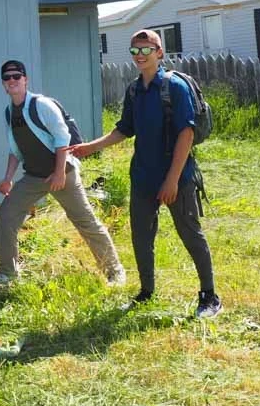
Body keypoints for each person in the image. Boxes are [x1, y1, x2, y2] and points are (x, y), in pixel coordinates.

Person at [67, 30, 222, 318]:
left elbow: (186, 134)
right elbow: (125, 129)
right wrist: (90, 147)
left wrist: (172, 180)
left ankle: (209, 296)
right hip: (142, 177)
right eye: (134, 51)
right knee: (141, 237)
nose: (140, 56)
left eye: (146, 50)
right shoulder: (134, 90)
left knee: (190, 234)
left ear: (159, 53)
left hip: (177, 176)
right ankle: (147, 291)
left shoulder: (174, 87)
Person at [0, 59, 125, 288]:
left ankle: (115, 272)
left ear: (25, 79)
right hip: (33, 176)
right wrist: (8, 178)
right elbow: (15, 149)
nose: (11, 81)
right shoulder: (10, 112)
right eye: (6, 77)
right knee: (5, 216)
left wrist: (59, 173)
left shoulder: (41, 105)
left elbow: (63, 139)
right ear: (3, 83)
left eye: (16, 76)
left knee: (84, 221)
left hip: (63, 174)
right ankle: (7, 274)